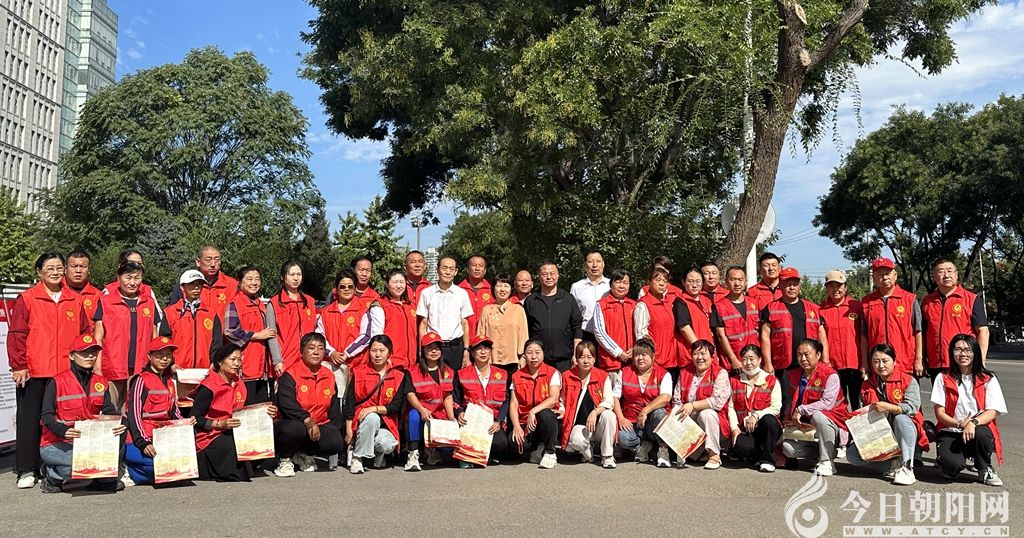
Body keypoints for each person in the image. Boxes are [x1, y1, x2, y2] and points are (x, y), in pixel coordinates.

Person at [7, 252, 88, 489]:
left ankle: (52, 464)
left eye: (59, 267)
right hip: (34, 370)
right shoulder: (28, 298)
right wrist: (19, 365)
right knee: (30, 420)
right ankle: (27, 469)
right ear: (39, 272)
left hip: (65, 373)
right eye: (50, 268)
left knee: (62, 420)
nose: (55, 272)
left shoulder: (74, 300)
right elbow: (17, 334)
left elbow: (84, 333)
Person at [38, 334, 126, 493]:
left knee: (114, 440)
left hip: (88, 442)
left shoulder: (101, 382)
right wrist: (63, 431)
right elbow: (46, 416)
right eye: (84, 352)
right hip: (57, 442)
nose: (90, 356)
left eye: (93, 352)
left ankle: (103, 480)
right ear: (72, 356)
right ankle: (51, 475)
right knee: (81, 466)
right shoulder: (57, 382)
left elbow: (108, 410)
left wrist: (119, 423)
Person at [192, 344, 277, 481]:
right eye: (232, 359)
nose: (237, 364)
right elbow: (195, 418)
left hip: (235, 429)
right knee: (234, 447)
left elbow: (247, 411)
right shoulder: (209, 386)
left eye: (239, 359)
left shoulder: (239, 383)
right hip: (211, 435)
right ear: (220, 362)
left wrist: (266, 412)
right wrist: (220, 424)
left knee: (262, 440)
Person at [847, 344, 929, 486]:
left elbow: (912, 408)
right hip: (879, 434)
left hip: (906, 433)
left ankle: (907, 467)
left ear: (894, 361)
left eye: (885, 361)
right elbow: (862, 411)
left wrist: (890, 407)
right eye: (876, 361)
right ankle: (891, 466)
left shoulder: (908, 380)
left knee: (901, 419)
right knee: (852, 455)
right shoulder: (867, 384)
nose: (880, 366)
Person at [930, 334, 1005, 486]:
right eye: (958, 349)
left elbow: (993, 411)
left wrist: (972, 423)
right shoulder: (942, 377)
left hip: (977, 429)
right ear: (951, 352)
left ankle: (984, 467)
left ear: (975, 352)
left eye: (968, 350)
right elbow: (939, 413)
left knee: (982, 435)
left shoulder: (988, 378)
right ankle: (948, 462)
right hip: (951, 430)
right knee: (950, 469)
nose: (963, 354)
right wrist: (959, 424)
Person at [760, 267, 829, 418]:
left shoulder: (813, 308)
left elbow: (821, 335)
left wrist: (825, 359)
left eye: (795, 284)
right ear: (780, 286)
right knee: (787, 400)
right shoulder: (770, 308)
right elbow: (765, 336)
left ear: (799, 286)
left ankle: (808, 428)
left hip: (810, 364)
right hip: (785, 364)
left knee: (811, 398)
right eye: (787, 284)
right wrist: (768, 363)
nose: (791, 287)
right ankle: (787, 427)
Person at [273, 333, 344, 477]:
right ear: (302, 350)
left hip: (318, 423)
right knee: (295, 429)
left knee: (335, 442)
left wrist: (337, 431)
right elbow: (287, 405)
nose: (316, 352)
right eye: (311, 348)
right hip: (292, 423)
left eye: (320, 348)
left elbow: (334, 408)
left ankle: (302, 454)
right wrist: (308, 420)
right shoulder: (290, 375)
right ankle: (285, 459)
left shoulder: (329, 376)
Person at [124, 336, 191, 485]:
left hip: (162, 437)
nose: (164, 359)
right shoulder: (141, 380)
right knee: (157, 467)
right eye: (159, 355)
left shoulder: (169, 381)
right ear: (150, 356)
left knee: (180, 466)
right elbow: (134, 415)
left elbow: (174, 412)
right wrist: (143, 443)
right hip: (139, 439)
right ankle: (127, 469)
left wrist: (185, 424)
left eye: (168, 355)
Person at [94, 260, 160, 409]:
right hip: (113, 366)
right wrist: (97, 368)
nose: (132, 282)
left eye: (137, 278)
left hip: (140, 367)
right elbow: (98, 337)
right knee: (110, 408)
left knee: (135, 408)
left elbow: (154, 337)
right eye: (128, 277)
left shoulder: (149, 303)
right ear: (118, 278)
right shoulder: (106, 302)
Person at [780, 339, 850, 476]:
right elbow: (790, 402)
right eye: (799, 355)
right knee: (788, 448)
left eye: (807, 354)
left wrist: (801, 410)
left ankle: (827, 461)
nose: (803, 359)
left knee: (819, 415)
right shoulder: (793, 375)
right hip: (806, 426)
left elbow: (827, 403)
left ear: (818, 355)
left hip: (832, 422)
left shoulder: (830, 375)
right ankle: (827, 452)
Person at [344, 335, 407, 474]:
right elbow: (350, 403)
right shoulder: (359, 373)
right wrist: (348, 430)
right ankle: (357, 457)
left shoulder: (398, 375)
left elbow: (395, 406)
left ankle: (376, 454)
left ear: (389, 352)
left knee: (387, 444)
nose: (378, 355)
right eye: (374, 350)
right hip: (362, 421)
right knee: (372, 418)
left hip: (386, 423)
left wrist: (373, 408)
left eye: (382, 350)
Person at [452, 335, 513, 467]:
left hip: (492, 422)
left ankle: (485, 455)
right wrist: (459, 412)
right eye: (479, 349)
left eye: (486, 348)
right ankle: (473, 456)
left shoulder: (502, 374)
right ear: (472, 353)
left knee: (501, 444)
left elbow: (506, 400)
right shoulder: (462, 374)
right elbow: (455, 398)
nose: (483, 352)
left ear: (491, 352)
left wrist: (499, 421)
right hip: (470, 423)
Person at [921, 258, 989, 377]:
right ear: (934, 277)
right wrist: (922, 359)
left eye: (950, 271)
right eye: (941, 271)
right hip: (936, 363)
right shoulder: (927, 302)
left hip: (963, 362)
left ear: (956, 274)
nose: (946, 275)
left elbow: (983, 332)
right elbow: (923, 333)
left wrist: (980, 361)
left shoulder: (971, 299)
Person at [223, 266, 280, 404]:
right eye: (249, 279)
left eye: (257, 279)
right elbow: (230, 331)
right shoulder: (235, 304)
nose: (254, 282)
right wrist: (256, 335)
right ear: (240, 282)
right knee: (246, 408)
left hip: (263, 369)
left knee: (261, 409)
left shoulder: (261, 304)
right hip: (246, 366)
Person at [612, 338, 672, 467]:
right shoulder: (624, 372)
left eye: (644, 355)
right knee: (622, 438)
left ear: (653, 356)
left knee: (660, 413)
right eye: (637, 355)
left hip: (653, 424)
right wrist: (621, 418)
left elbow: (666, 397)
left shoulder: (663, 374)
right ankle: (642, 447)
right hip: (633, 422)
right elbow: (615, 397)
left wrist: (645, 410)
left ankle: (663, 450)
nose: (640, 358)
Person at [671, 339, 731, 469]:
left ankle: (714, 455)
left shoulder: (720, 373)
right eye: (695, 354)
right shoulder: (684, 372)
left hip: (716, 424)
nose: (699, 358)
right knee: (674, 414)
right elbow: (676, 400)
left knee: (706, 414)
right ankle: (699, 453)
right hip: (691, 421)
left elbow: (717, 402)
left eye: (703, 354)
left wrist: (692, 405)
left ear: (712, 356)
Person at [403, 332, 456, 471]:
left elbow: (448, 396)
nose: (433, 351)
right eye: (429, 348)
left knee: (448, 449)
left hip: (439, 413)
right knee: (413, 416)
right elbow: (410, 395)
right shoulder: (412, 371)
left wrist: (451, 418)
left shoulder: (449, 371)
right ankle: (413, 454)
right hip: (421, 411)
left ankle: (433, 451)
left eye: (437, 348)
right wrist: (421, 409)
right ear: (423, 351)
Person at [861, 257, 922, 376]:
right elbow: (864, 336)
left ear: (895, 275)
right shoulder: (866, 302)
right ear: (874, 278)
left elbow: (918, 331)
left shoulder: (909, 299)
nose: (884, 278)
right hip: (878, 365)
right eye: (880, 274)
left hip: (905, 363)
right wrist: (865, 362)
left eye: (888, 273)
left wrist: (919, 359)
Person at [317, 269, 371, 402]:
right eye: (342, 286)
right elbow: (319, 335)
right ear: (336, 289)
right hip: (331, 366)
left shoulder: (364, 310)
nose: (346, 289)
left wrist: (347, 354)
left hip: (356, 366)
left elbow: (366, 336)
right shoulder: (325, 312)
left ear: (355, 288)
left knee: (352, 405)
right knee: (332, 403)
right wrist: (331, 353)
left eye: (350, 286)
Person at [561, 341, 617, 468]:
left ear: (594, 359)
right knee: (575, 442)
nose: (586, 361)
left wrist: (595, 412)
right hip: (580, 426)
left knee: (609, 415)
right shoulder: (567, 376)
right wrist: (561, 410)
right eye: (582, 357)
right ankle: (587, 450)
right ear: (576, 359)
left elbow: (609, 401)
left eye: (589, 357)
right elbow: (561, 400)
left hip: (599, 426)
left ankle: (607, 456)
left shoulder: (602, 376)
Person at [727, 345, 782, 473]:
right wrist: (734, 428)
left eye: (752, 359)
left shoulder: (771, 380)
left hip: (765, 428)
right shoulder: (734, 381)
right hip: (745, 428)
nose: (748, 363)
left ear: (760, 359)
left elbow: (776, 408)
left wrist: (756, 415)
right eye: (744, 359)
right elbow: (730, 407)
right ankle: (756, 456)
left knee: (769, 420)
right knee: (742, 446)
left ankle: (767, 460)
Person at [523, 261, 583, 372]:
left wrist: (577, 354)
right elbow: (525, 330)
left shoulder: (568, 299)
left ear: (558, 275)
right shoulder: (531, 301)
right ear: (539, 276)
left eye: (552, 273)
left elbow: (577, 327)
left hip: (565, 359)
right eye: (545, 274)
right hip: (538, 360)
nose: (549, 277)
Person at [509, 340, 562, 469]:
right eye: (529, 353)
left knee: (545, 413)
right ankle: (537, 448)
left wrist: (533, 411)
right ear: (524, 356)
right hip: (525, 423)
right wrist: (516, 426)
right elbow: (513, 404)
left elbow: (554, 399)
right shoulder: (517, 376)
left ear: (543, 354)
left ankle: (550, 452)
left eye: (537, 353)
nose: (533, 357)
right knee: (514, 443)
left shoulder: (552, 372)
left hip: (545, 420)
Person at [417, 255, 474, 371]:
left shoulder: (462, 294)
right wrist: (421, 349)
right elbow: (423, 324)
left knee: (455, 380)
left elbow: (465, 324)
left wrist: (466, 350)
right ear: (438, 270)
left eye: (451, 269)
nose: (448, 272)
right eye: (445, 268)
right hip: (434, 347)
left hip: (455, 348)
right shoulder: (426, 293)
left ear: (456, 272)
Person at [819, 270, 863, 409]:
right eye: (831, 286)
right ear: (826, 288)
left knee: (858, 403)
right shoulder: (821, 310)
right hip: (833, 366)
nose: (835, 289)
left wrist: (865, 363)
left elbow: (864, 335)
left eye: (839, 286)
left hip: (855, 363)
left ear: (845, 287)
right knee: (839, 404)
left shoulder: (857, 306)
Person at [161, 270, 222, 370]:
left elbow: (217, 343)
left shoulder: (211, 314)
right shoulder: (170, 313)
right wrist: (171, 364)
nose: (196, 287)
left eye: (199, 284)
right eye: (191, 284)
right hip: (178, 370)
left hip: (205, 370)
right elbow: (165, 342)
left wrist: (214, 362)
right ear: (182, 287)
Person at [363, 269, 417, 370]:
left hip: (412, 364)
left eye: (402, 282)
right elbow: (377, 334)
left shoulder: (411, 306)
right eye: (395, 282)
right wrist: (384, 357)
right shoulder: (380, 305)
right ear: (387, 284)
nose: (399, 286)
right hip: (391, 363)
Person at [268, 261, 317, 373]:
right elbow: (271, 335)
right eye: (292, 274)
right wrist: (277, 360)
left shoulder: (310, 301)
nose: (296, 278)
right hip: (285, 360)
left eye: (299, 274)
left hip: (308, 359)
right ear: (282, 277)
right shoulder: (274, 303)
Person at [476, 273, 529, 376]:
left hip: (514, 361)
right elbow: (481, 336)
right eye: (499, 286)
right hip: (491, 361)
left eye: (506, 286)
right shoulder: (486, 310)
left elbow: (524, 335)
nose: (502, 289)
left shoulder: (518, 310)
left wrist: (523, 356)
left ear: (511, 289)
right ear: (493, 289)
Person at [167, 246, 239, 320]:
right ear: (198, 262)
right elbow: (173, 312)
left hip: (221, 327)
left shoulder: (232, 284)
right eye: (208, 260)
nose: (213, 264)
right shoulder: (186, 284)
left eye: (217, 260)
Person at [712, 266, 760, 372]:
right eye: (733, 279)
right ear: (726, 282)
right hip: (734, 364)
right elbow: (721, 336)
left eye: (740, 279)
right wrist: (733, 359)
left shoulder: (753, 303)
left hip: (755, 360)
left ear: (745, 282)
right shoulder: (719, 306)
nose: (737, 283)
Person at [634, 266, 679, 379]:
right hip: (655, 361)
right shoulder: (643, 305)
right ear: (649, 282)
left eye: (665, 281)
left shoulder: (670, 303)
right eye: (658, 280)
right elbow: (641, 335)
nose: (662, 284)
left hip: (672, 360)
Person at [592, 269, 636, 374]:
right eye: (618, 282)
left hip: (632, 362)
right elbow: (599, 332)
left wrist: (635, 348)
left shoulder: (634, 305)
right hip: (610, 362)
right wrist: (618, 352)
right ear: (611, 284)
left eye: (625, 282)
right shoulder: (601, 305)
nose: (622, 286)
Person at [101, 250, 162, 323]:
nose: (136, 266)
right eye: (131, 263)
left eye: (139, 263)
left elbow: (157, 321)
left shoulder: (148, 291)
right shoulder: (109, 291)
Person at [673, 268, 716, 369]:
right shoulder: (680, 302)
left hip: (709, 351)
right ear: (683, 282)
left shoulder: (706, 299)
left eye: (698, 281)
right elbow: (684, 328)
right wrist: (700, 350)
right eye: (690, 281)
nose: (694, 285)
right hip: (693, 353)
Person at [569, 249, 610, 345]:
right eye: (590, 261)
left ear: (603, 264)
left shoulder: (611, 285)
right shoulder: (577, 287)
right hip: (585, 335)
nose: (594, 265)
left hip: (608, 335)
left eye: (598, 261)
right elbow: (573, 314)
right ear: (585, 265)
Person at [458, 255, 495, 335]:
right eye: (474, 265)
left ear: (485, 271)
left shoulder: (492, 291)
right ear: (468, 270)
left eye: (481, 266)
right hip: (463, 338)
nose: (477, 268)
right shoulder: (458, 291)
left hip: (486, 338)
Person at [64, 250, 102, 325]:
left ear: (89, 270)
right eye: (74, 266)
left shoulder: (97, 296)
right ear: (65, 269)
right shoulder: (55, 291)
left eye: (82, 267)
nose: (78, 271)